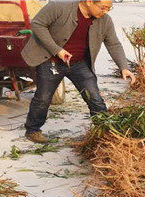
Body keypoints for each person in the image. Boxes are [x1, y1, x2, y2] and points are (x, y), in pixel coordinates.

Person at [21, 0, 136, 143]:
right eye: (103, 7)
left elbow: (113, 43)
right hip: (51, 61)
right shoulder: (59, 7)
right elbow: (37, 24)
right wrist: (57, 50)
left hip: (79, 63)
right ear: (89, 2)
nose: (105, 12)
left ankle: (105, 131)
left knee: (95, 98)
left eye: (109, 9)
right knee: (43, 98)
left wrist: (124, 67)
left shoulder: (105, 20)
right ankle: (32, 130)